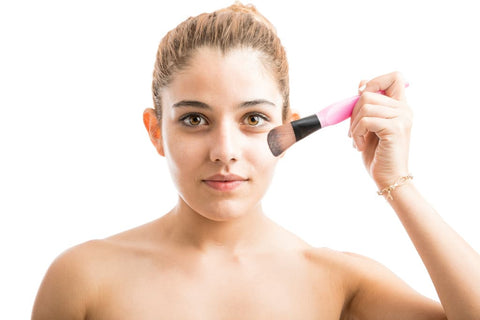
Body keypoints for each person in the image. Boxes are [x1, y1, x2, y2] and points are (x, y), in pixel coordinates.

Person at [32, 3, 480, 319]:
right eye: (194, 118)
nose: (224, 149)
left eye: (253, 118)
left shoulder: (336, 281)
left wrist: (396, 180)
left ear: (289, 129)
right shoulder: (82, 278)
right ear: (156, 132)